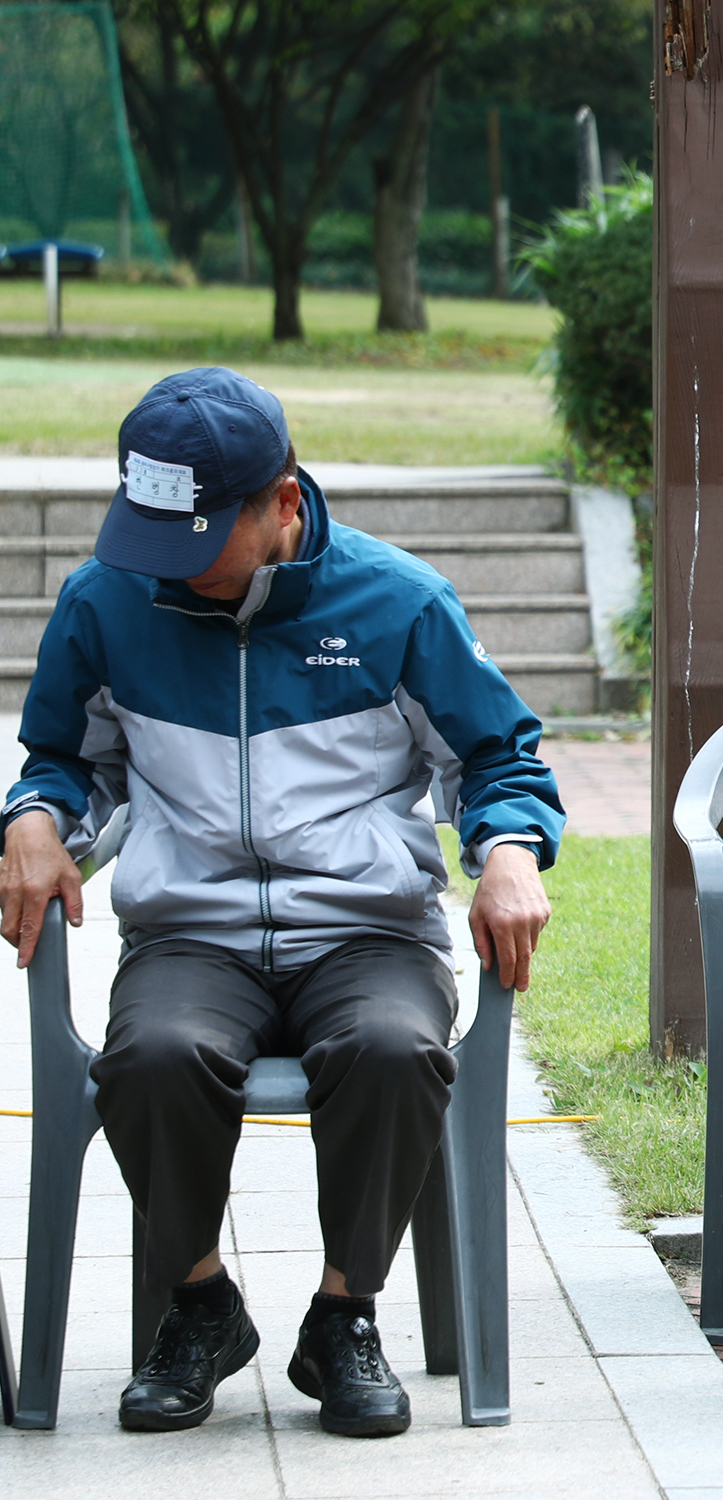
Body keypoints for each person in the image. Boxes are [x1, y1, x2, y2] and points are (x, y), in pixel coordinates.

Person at [0, 367, 561, 1436]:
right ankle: (203, 1304)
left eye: (201, 537)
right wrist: (31, 818)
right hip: (192, 935)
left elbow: (500, 758)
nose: (172, 568)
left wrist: (510, 849)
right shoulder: (105, 602)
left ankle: (343, 1317)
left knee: (396, 1050)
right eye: (153, 534)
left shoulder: (398, 604)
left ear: (285, 504)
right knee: (152, 1056)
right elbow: (60, 761)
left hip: (365, 933)